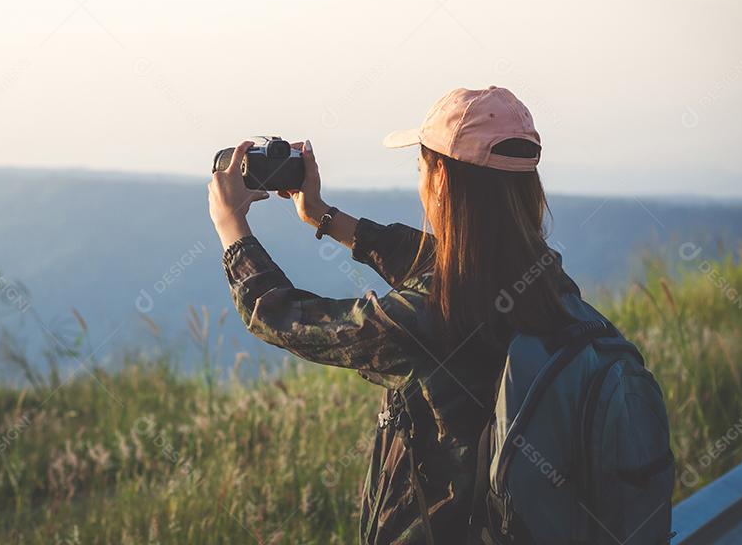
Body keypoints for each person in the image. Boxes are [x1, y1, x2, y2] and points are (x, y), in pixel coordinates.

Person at [207, 87, 581, 544]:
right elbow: (442, 262)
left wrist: (232, 229)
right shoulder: (547, 280)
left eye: (421, 165)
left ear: (439, 178)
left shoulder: (426, 320)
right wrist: (324, 216)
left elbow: (280, 316)